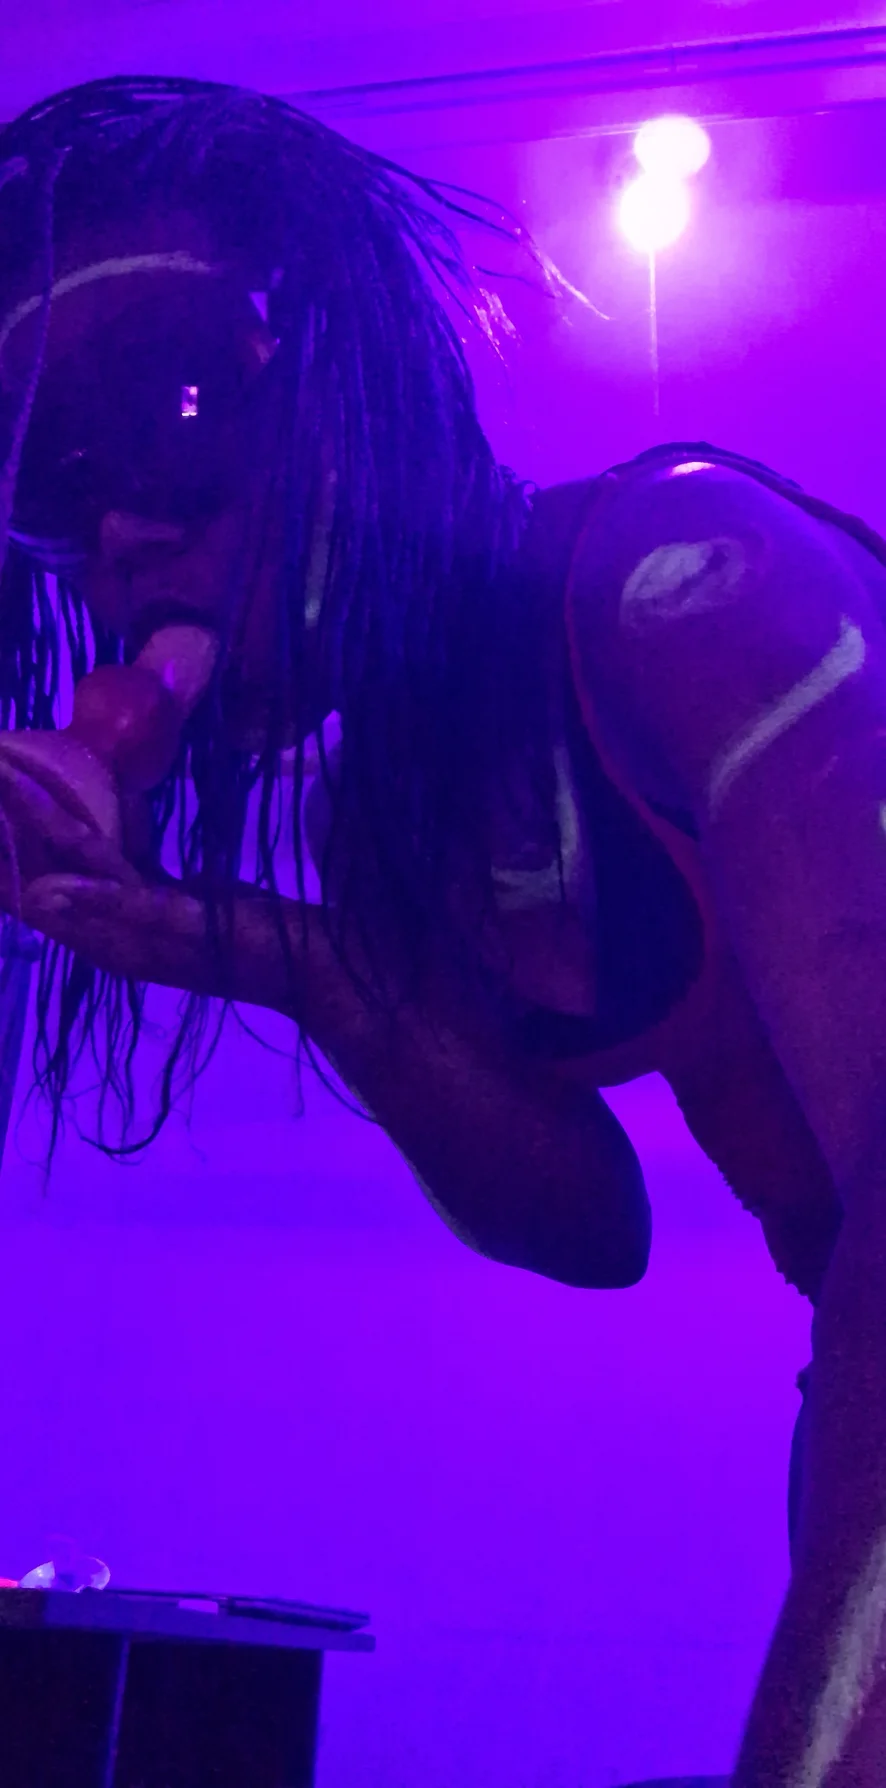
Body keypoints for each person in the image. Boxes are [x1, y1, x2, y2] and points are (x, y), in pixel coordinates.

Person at [0, 73, 884, 1787]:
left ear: (348, 393)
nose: (123, 530)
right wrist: (269, 955)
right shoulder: (387, 816)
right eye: (55, 476)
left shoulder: (681, 584)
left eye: (177, 404)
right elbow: (587, 1225)